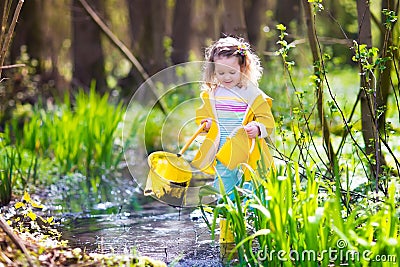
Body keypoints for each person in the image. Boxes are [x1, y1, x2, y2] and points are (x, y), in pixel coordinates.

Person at [192, 36, 275, 199]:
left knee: (251, 184)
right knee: (224, 185)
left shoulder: (251, 93)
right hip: (224, 151)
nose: (226, 77)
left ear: (243, 67)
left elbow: (267, 120)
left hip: (247, 150)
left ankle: (251, 219)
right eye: (220, 72)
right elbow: (205, 116)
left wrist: (258, 128)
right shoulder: (213, 94)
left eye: (232, 72)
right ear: (213, 70)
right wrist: (207, 124)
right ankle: (226, 220)